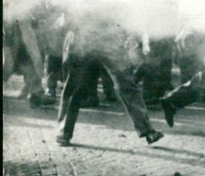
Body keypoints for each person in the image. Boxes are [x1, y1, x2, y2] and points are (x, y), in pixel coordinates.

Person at [55, 12, 164, 146]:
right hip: (83, 40)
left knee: (128, 85)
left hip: (110, 41)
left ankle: (148, 131)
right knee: (74, 88)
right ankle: (63, 132)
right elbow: (65, 12)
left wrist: (131, 36)